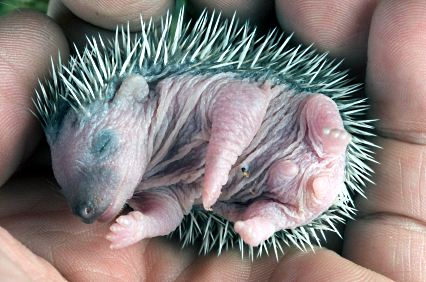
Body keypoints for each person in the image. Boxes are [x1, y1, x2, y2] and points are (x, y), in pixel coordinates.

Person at [0, 0, 424, 280]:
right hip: (259, 192)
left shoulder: (185, 93)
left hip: (289, 130)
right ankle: (278, 215)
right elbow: (173, 206)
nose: (86, 207)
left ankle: (327, 149)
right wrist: (143, 224)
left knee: (316, 111)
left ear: (132, 94)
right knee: (254, 215)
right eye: (70, 187)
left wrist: (219, 164)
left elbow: (243, 105)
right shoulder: (150, 174)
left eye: (104, 148)